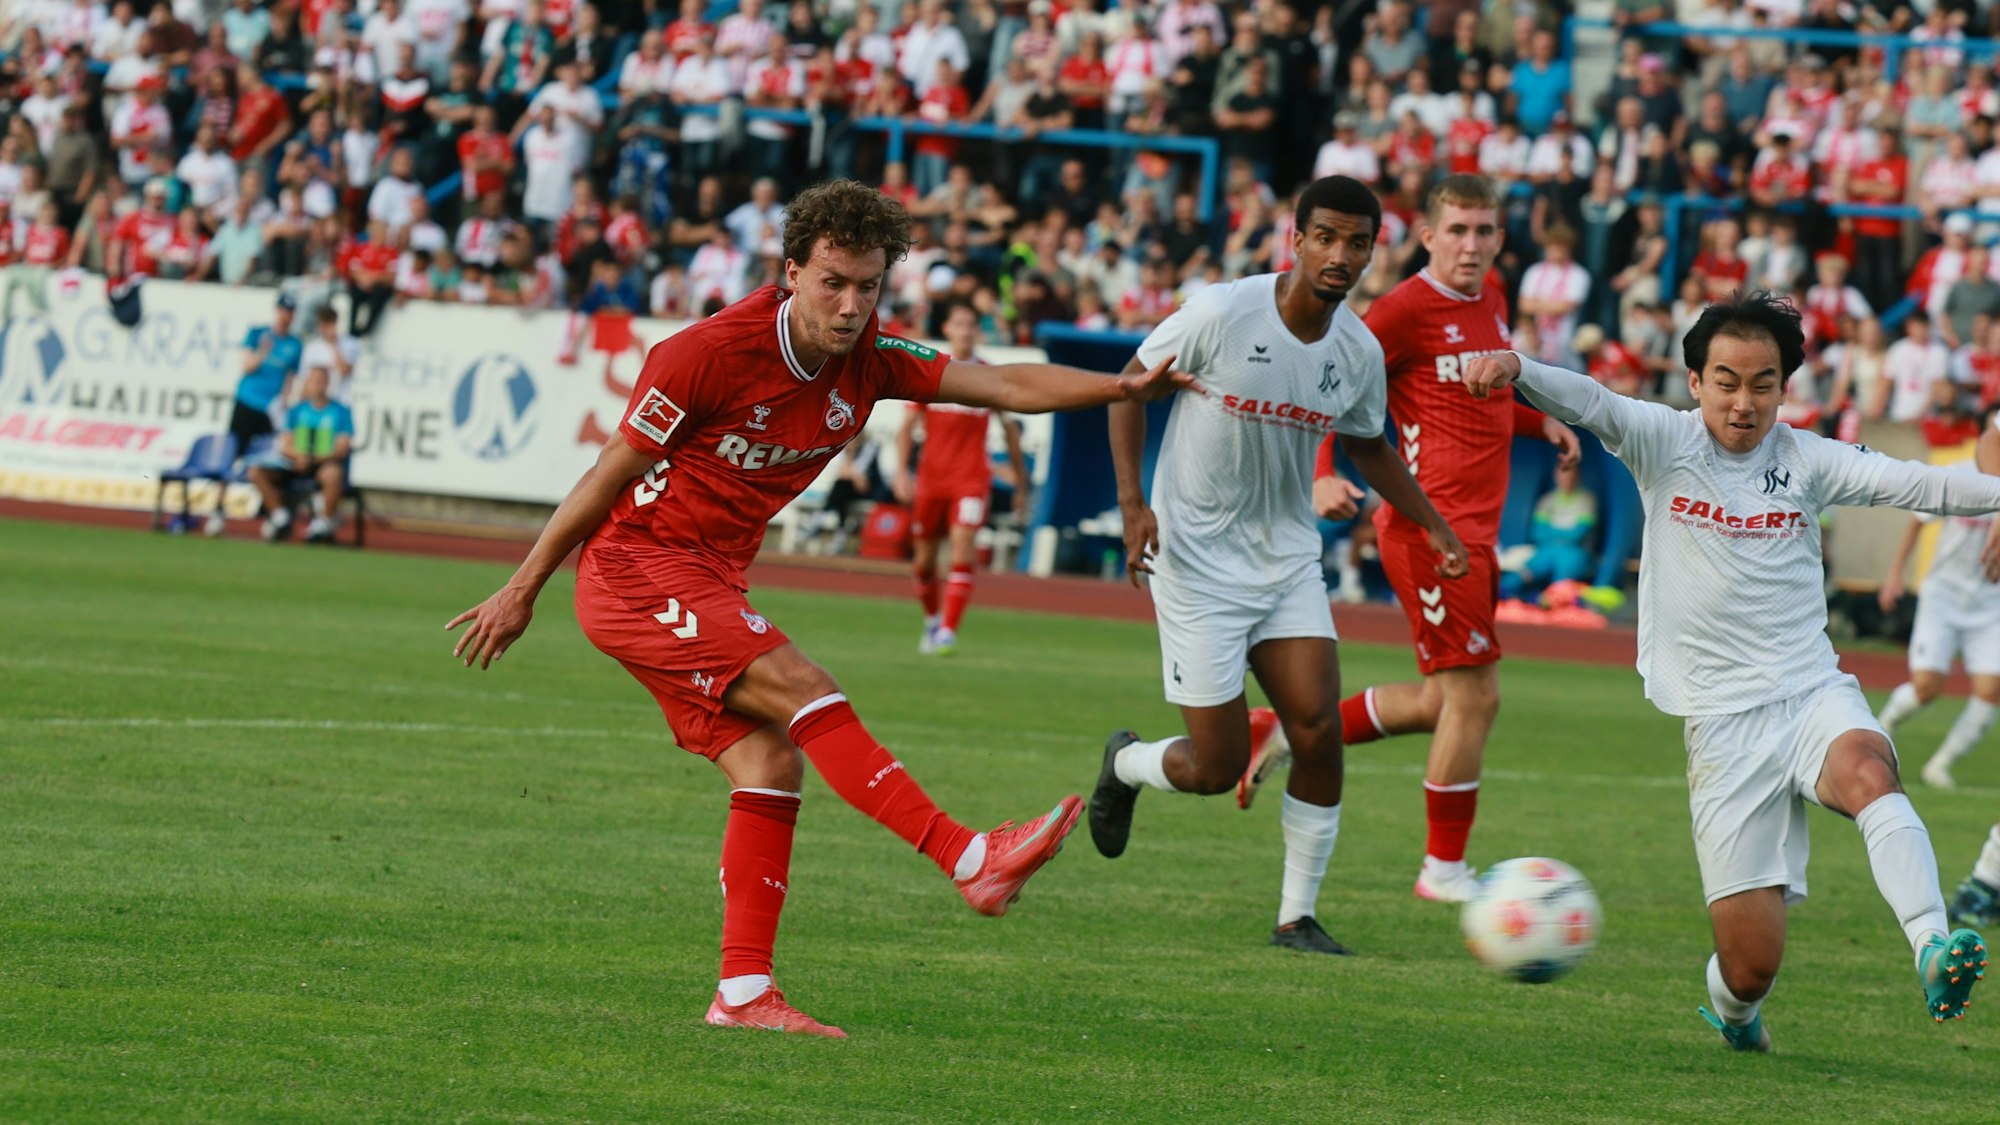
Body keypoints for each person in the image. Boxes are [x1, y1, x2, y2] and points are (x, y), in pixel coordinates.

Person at [445, 180, 1195, 1038]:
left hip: (709, 580)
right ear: (792, 271)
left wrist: (1123, 386)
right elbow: (606, 472)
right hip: (635, 571)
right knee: (805, 685)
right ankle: (968, 856)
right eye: (833, 282)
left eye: (868, 286)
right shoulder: (705, 353)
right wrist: (522, 587)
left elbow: (998, 383)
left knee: (771, 761)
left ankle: (741, 993)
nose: (850, 305)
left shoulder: (871, 356)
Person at [1461, 291, 1997, 1049]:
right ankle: (1738, 1017)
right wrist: (1518, 366)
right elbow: (1591, 400)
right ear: (1695, 381)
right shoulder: (1663, 441)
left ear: (1784, 387)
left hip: (1810, 691)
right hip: (1722, 727)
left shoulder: (1806, 458)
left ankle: (1932, 946)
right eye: (1726, 382)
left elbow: (1922, 484)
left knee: (1870, 769)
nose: (1743, 403)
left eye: (1762, 384)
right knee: (1749, 968)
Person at [1089, 176, 1471, 956]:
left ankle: (1297, 916)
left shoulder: (1357, 350)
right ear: (1295, 240)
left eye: (1357, 243)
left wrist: (1432, 522)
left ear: (1372, 252)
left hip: (1286, 558)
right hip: (1195, 560)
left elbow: (1366, 444)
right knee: (1217, 764)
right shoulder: (1221, 312)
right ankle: (1126, 763)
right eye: (1325, 237)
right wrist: (1133, 505)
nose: (1340, 255)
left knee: (1317, 728)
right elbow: (1127, 391)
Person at [1240, 175, 1580, 904]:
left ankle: (1283, 731)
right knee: (1476, 699)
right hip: (1432, 530)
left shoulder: (1491, 299)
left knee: (1440, 701)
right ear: (1428, 237)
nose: (1471, 245)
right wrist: (1322, 475)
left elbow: (1477, 398)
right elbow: (1327, 388)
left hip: (1475, 534)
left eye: (1483, 231)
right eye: (1457, 230)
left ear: (1499, 239)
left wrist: (1539, 421)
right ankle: (1443, 869)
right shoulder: (1400, 312)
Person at [894, 300, 1029, 656]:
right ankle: (932, 620)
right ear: (948, 329)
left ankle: (948, 632)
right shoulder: (931, 371)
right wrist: (901, 472)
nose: (965, 331)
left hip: (970, 480)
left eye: (971, 325)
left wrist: (1020, 481)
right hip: (931, 480)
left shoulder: (988, 376)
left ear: (977, 331)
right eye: (959, 324)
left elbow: (1010, 432)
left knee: (962, 548)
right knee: (924, 562)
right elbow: (906, 429)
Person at [1875, 408, 2000, 789]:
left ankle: (1939, 766)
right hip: (1943, 596)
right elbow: (1917, 521)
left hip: (1990, 603)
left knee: (1991, 690)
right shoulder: (1958, 476)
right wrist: (1895, 575)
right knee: (1927, 687)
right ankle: (1882, 727)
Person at [213, 295, 305, 536]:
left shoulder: (295, 345)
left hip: (270, 410)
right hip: (247, 403)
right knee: (232, 455)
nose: (286, 316)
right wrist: (263, 351)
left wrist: (285, 404)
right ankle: (217, 510)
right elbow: (247, 366)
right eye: (283, 310)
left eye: (290, 312)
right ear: (277, 311)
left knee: (269, 461)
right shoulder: (258, 334)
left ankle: (269, 513)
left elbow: (290, 379)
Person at [249, 366, 354, 544]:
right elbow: (285, 444)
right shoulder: (296, 411)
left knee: (333, 474)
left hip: (323, 463)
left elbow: (341, 448)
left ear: (328, 383)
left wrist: (312, 459)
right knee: (257, 471)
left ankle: (323, 523)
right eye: (313, 380)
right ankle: (280, 517)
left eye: (321, 380)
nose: (317, 384)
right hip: (296, 463)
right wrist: (298, 457)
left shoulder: (341, 411)